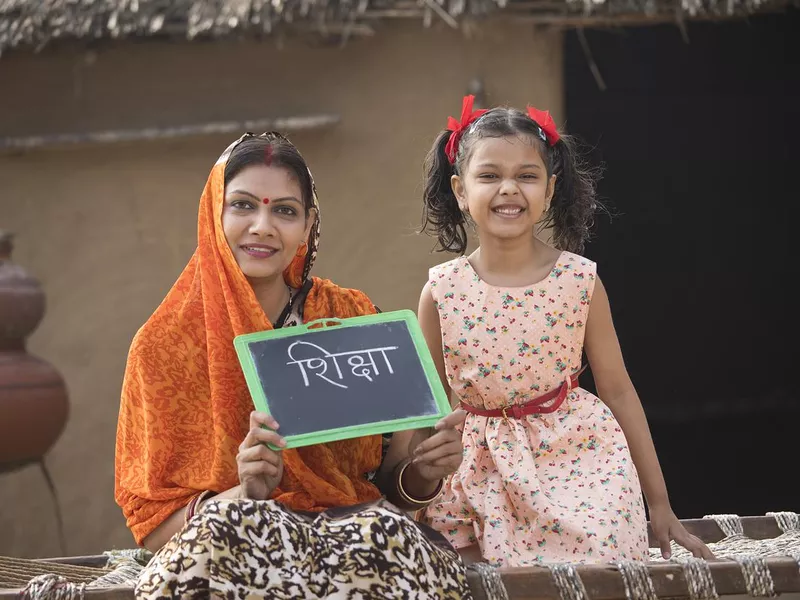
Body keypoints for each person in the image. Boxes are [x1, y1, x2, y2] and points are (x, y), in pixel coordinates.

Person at [115, 132, 472, 598]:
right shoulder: (164, 347)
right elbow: (154, 528)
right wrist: (245, 492)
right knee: (224, 530)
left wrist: (426, 472)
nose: (263, 226)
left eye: (284, 210)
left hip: (358, 541)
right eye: (243, 205)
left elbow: (394, 490)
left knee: (390, 537)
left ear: (307, 227)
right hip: (234, 547)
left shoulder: (352, 320)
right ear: (212, 216)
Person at [416, 96, 713, 567]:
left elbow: (617, 390)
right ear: (459, 189)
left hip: (577, 458)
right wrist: (412, 486)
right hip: (480, 467)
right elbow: (421, 412)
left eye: (526, 176)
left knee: (602, 557)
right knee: (473, 572)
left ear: (550, 190)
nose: (509, 189)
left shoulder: (580, 281)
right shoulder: (441, 291)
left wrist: (659, 503)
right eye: (490, 175)